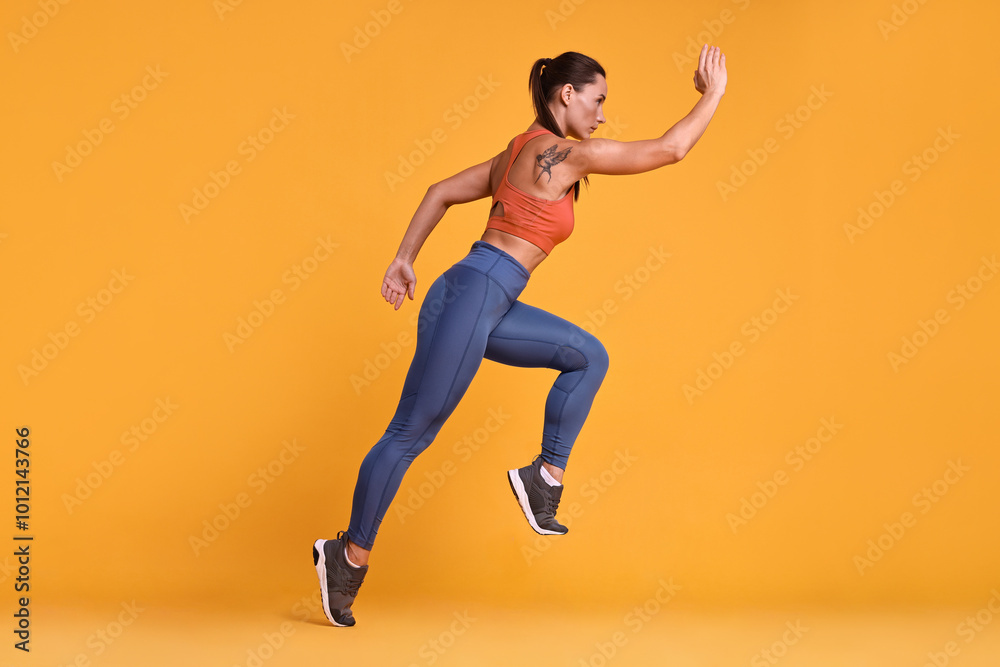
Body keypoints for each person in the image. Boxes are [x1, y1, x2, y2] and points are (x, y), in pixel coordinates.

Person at [313, 45, 727, 627]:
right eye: (599, 99)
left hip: (486, 298)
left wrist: (406, 259)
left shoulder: (515, 153)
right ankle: (347, 556)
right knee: (410, 434)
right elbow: (671, 148)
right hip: (474, 295)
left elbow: (439, 190)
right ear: (568, 95)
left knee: (588, 356)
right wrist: (713, 94)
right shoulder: (566, 155)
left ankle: (543, 477)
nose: (603, 114)